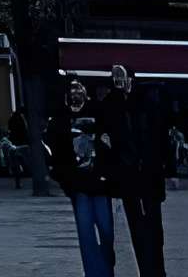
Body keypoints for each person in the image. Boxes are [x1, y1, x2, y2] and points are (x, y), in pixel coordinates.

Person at [98, 66, 166, 277]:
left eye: (122, 77)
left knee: (154, 226)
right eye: (116, 78)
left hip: (148, 171)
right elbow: (106, 134)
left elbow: (160, 137)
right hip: (128, 173)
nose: (120, 81)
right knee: (137, 225)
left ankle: (156, 270)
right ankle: (147, 270)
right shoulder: (112, 104)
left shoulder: (147, 102)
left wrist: (166, 168)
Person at [50, 76, 117, 277]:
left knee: (107, 231)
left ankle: (107, 267)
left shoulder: (98, 112)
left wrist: (108, 172)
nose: (75, 93)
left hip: (100, 183)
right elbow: (57, 154)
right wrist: (67, 182)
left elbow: (109, 141)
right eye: (72, 89)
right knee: (86, 234)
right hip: (79, 186)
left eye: (79, 88)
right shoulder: (61, 118)